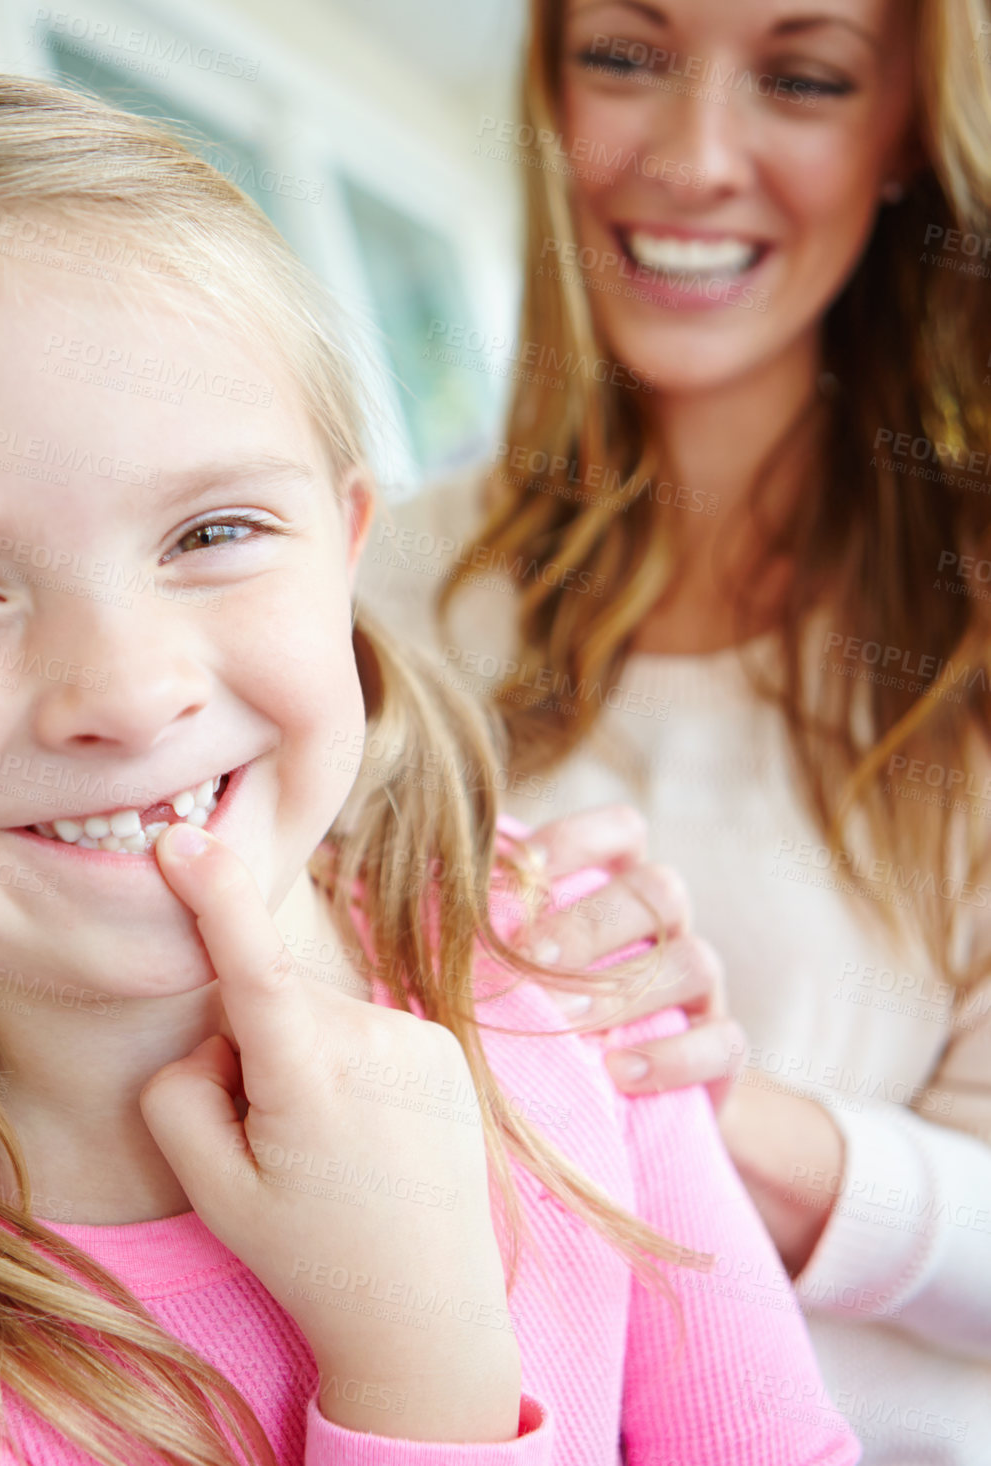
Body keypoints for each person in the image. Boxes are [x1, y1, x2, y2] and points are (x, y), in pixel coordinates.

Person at [0, 73, 859, 1466]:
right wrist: (417, 1358)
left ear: (345, 550)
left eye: (214, 532)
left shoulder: (553, 964)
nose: (123, 691)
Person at [358, 0, 991, 1459]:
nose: (695, 157)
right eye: (625, 57)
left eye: (804, 77)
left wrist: (697, 1105)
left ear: (904, 128)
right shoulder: (377, 589)